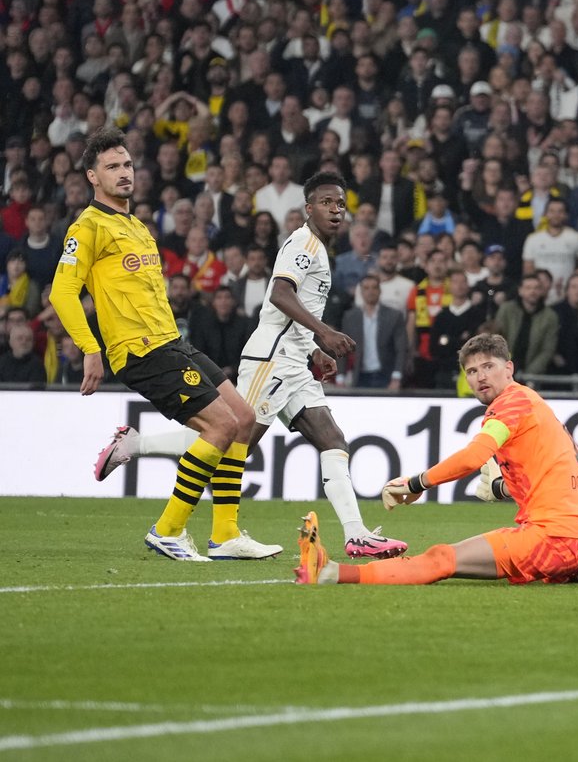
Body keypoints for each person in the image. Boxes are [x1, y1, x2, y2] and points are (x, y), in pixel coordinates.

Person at [102, 173, 407, 561]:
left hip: (295, 361)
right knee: (231, 439)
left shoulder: (318, 249)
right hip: (272, 360)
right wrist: (325, 332)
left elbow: (299, 308)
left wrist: (314, 346)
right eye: (327, 202)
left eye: (341, 204)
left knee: (332, 440)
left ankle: (357, 534)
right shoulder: (303, 242)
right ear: (308, 208)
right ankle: (137, 446)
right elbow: (280, 293)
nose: (335, 209)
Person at [51, 128, 271, 562]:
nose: (124, 173)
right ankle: (168, 529)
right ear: (93, 177)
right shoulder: (88, 226)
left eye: (128, 164)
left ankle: (225, 535)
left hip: (173, 341)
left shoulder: (135, 225)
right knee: (220, 428)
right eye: (112, 167)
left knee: (244, 419)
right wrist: (90, 349)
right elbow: (63, 292)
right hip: (140, 349)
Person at [294, 333, 578, 588]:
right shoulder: (533, 405)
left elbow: (476, 455)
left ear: (508, 368)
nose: (480, 376)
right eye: (472, 371)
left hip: (557, 537)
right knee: (552, 560)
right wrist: (499, 487)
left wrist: (416, 483)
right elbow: (543, 476)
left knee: (441, 558)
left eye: (488, 366)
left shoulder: (510, 403)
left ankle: (330, 571)